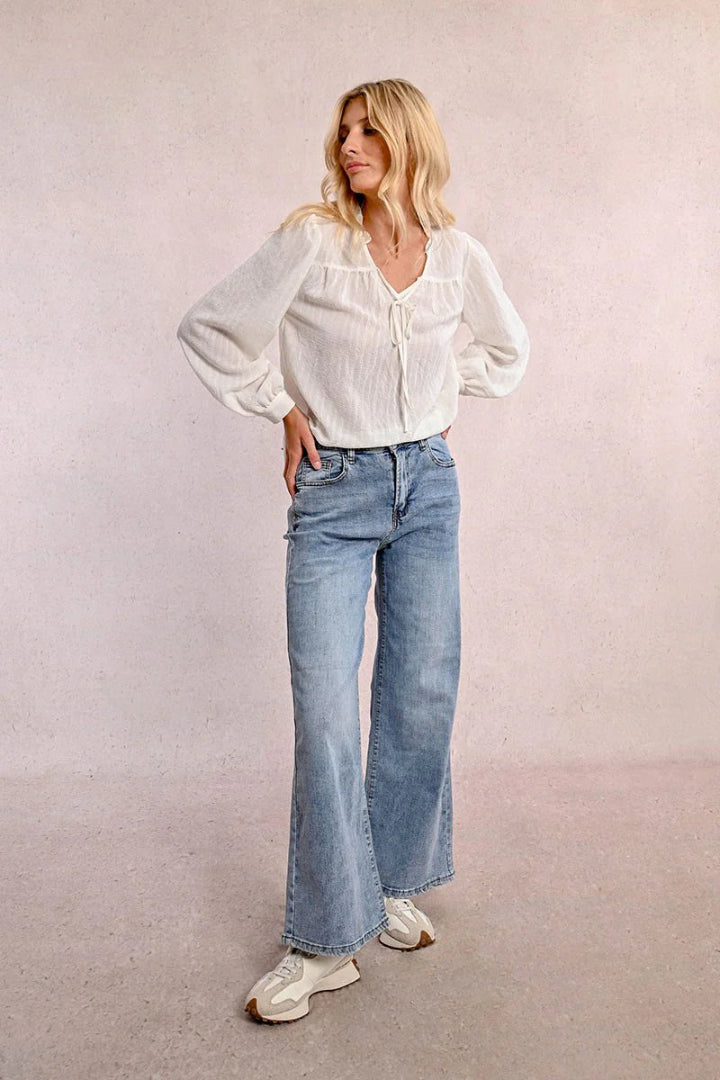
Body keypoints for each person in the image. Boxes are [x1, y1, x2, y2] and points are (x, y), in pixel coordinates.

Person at [176, 77, 530, 1024]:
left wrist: (434, 399)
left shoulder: (457, 256)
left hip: (429, 489)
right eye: (343, 132)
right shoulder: (313, 241)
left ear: (412, 140)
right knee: (328, 716)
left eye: (370, 130)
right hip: (334, 491)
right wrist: (280, 407)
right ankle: (323, 940)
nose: (350, 146)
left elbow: (508, 351)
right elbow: (209, 328)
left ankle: (388, 886)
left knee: (420, 695)